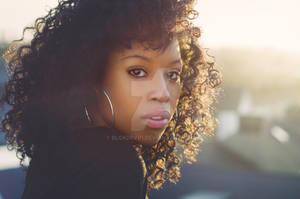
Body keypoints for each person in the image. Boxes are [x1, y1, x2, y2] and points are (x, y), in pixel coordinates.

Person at [0, 0, 221, 198]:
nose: (163, 93)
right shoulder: (117, 163)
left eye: (173, 75)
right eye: (138, 72)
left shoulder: (55, 151)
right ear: (93, 76)